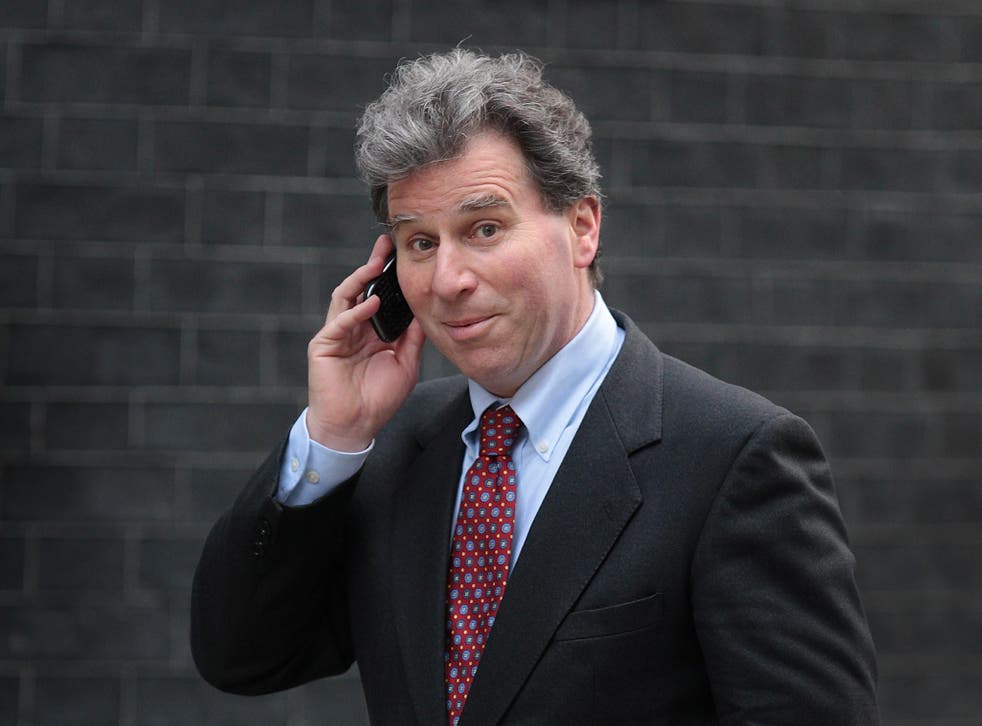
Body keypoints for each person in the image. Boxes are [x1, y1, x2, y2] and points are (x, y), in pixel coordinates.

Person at [191, 49, 879, 725]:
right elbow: (243, 657)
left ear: (582, 227)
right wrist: (332, 438)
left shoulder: (735, 456)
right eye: (420, 243)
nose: (448, 279)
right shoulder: (395, 450)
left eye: (483, 228)